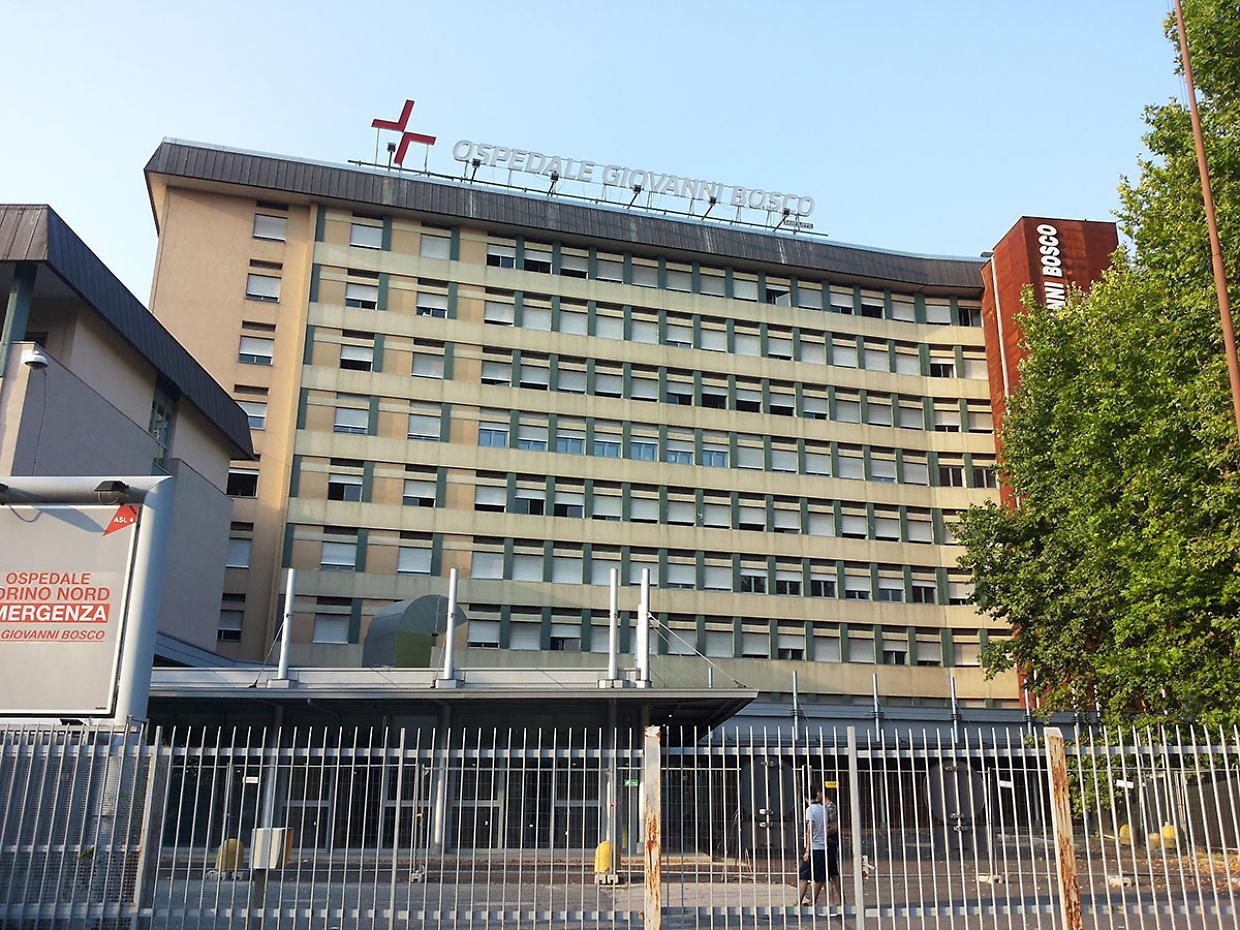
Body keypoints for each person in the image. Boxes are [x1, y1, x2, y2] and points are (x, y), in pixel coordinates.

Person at [798, 786, 841, 909]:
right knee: (821, 877)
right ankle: (822, 902)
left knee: (804, 876)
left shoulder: (809, 810)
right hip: (824, 846)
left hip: (814, 847)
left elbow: (810, 829)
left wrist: (807, 850)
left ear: (805, 797)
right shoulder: (824, 809)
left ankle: (799, 902)